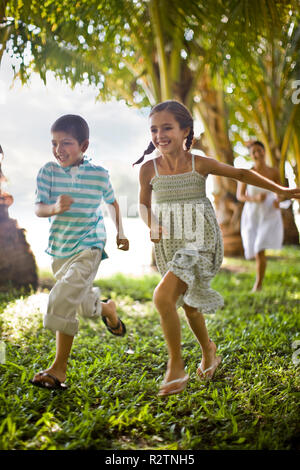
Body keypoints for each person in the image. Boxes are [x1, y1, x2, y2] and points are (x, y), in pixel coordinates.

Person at [134, 100, 300, 397]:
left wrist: (282, 190)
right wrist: (152, 225)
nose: (159, 134)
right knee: (188, 304)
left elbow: (241, 175)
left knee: (162, 296)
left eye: (167, 127)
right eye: (154, 129)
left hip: (201, 239)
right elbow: (144, 206)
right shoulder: (148, 170)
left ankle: (176, 367)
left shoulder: (199, 162)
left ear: (186, 131)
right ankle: (209, 350)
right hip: (171, 243)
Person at [30, 114, 129, 390]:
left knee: (63, 295)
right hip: (60, 249)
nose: (59, 149)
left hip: (90, 244)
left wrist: (120, 232)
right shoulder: (47, 172)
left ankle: (58, 369)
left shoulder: (98, 174)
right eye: (54, 143)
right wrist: (54, 208)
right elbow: (39, 208)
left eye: (66, 143)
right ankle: (107, 309)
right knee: (80, 301)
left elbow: (112, 202)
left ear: (83, 145)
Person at [237, 141, 284, 292]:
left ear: (264, 151)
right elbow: (240, 195)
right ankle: (259, 283)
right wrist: (254, 199)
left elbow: (281, 192)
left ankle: (258, 284)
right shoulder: (248, 172)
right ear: (251, 156)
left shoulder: (274, 171)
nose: (257, 154)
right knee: (255, 247)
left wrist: (279, 201)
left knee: (259, 248)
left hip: (269, 212)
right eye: (253, 152)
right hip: (252, 214)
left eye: (259, 150)